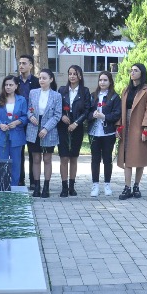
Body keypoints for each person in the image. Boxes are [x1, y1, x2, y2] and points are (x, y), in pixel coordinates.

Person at [117, 63, 147, 200]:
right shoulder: (126, 90)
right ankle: (127, 187)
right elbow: (121, 109)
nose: (132, 73)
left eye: (135, 70)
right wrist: (119, 126)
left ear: (141, 73)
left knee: (139, 157)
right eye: (131, 70)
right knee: (126, 156)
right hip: (126, 124)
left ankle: (136, 186)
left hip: (139, 125)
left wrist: (146, 128)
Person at [26, 69, 62, 198]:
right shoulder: (33, 93)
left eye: (44, 78)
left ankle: (46, 187)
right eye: (40, 78)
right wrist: (31, 116)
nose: (41, 80)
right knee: (35, 159)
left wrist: (46, 128)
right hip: (33, 128)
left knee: (47, 159)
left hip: (49, 130)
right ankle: (36, 186)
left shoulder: (56, 96)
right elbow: (29, 109)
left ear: (51, 79)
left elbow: (57, 115)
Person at [57, 65, 91, 197]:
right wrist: (62, 116)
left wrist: (76, 123)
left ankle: (72, 186)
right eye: (70, 73)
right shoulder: (62, 90)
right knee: (64, 157)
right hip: (63, 126)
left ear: (80, 76)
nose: (72, 76)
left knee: (73, 157)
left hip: (77, 126)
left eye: (75, 74)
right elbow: (56, 107)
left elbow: (87, 110)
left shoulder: (85, 91)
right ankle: (64, 186)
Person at [88, 71, 121, 197]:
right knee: (95, 159)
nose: (102, 82)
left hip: (108, 133)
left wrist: (104, 116)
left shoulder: (114, 97)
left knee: (107, 159)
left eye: (105, 80)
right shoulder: (93, 96)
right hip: (94, 132)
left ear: (110, 82)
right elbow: (86, 112)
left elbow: (117, 114)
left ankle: (107, 184)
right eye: (100, 80)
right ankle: (95, 185)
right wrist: (93, 115)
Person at [0, 75, 29, 186]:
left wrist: (17, 122)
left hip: (16, 134)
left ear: (16, 86)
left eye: (11, 85)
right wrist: (0, 124)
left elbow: (25, 116)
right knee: (2, 161)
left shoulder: (21, 100)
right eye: (6, 85)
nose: (8, 87)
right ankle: (3, 185)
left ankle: (14, 185)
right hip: (1, 134)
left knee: (16, 161)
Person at [16, 54, 40, 187]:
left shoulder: (37, 82)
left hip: (33, 121)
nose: (21, 66)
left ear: (31, 65)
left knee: (33, 152)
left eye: (24, 63)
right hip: (18, 121)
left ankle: (33, 180)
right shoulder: (15, 81)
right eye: (20, 63)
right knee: (19, 151)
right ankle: (20, 179)